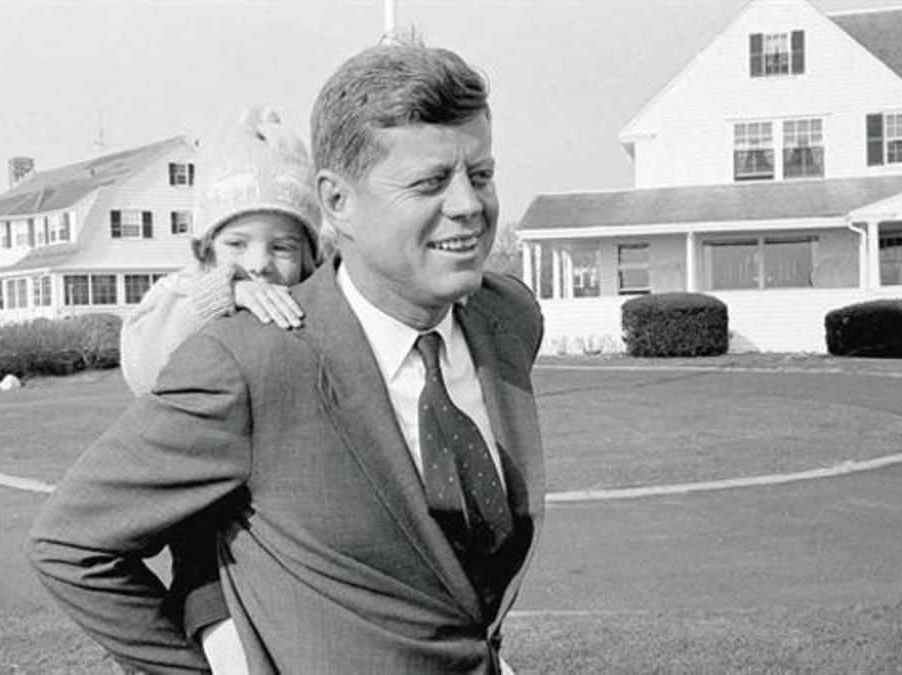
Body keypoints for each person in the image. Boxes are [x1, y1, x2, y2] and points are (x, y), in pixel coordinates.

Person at [29, 41, 544, 674]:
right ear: (337, 202)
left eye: (481, 175)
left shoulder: (508, 319)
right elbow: (70, 544)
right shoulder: (247, 361)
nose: (469, 205)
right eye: (430, 182)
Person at [120, 107, 323, 396]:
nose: (259, 264)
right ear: (205, 248)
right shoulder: (182, 292)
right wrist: (219, 295)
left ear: (308, 257)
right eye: (236, 244)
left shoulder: (316, 302)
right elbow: (142, 373)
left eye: (281, 248)